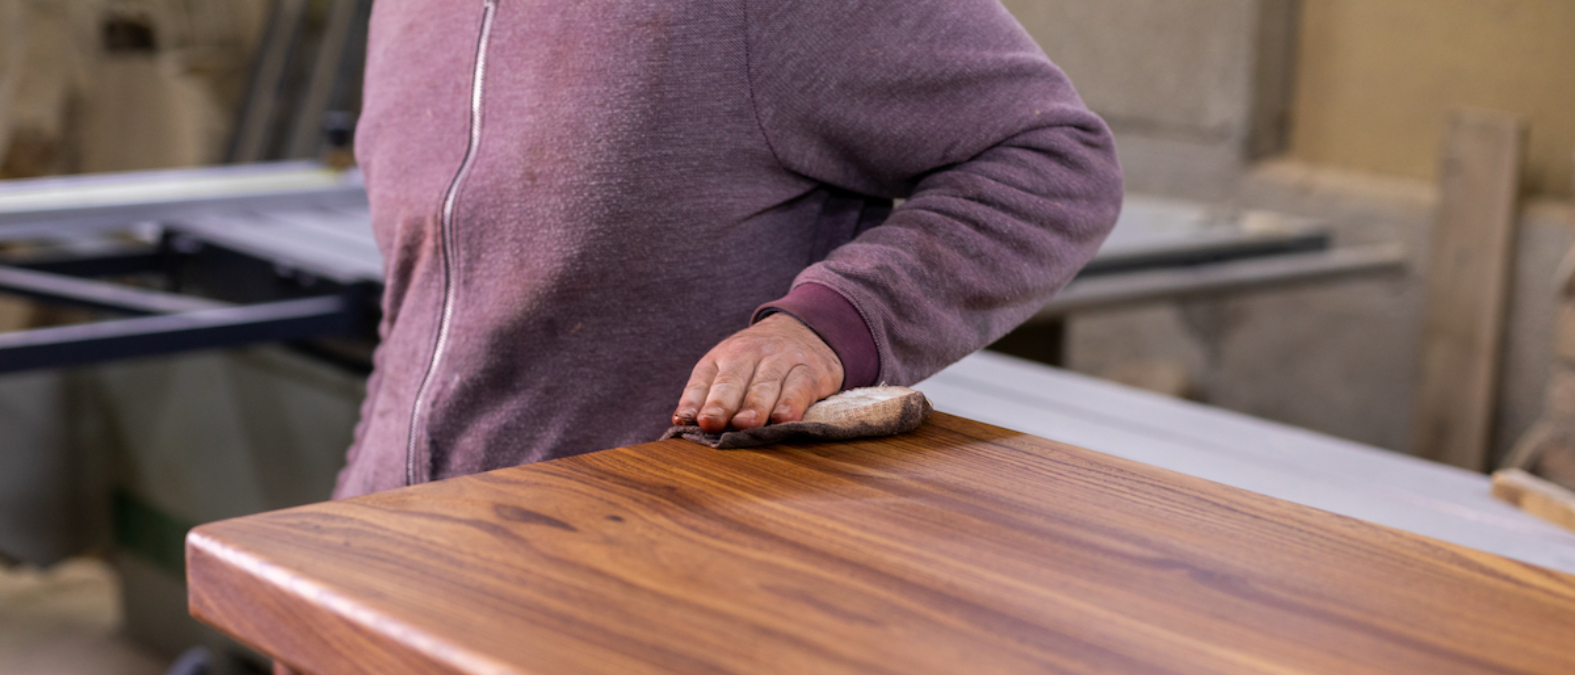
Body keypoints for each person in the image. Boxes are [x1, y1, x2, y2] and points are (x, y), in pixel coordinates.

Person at [333, 0, 1123, 499]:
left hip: (651, 574)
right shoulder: (407, 12)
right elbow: (417, 327)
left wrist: (831, 323)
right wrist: (338, 546)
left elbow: (1053, 159)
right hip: (407, 562)